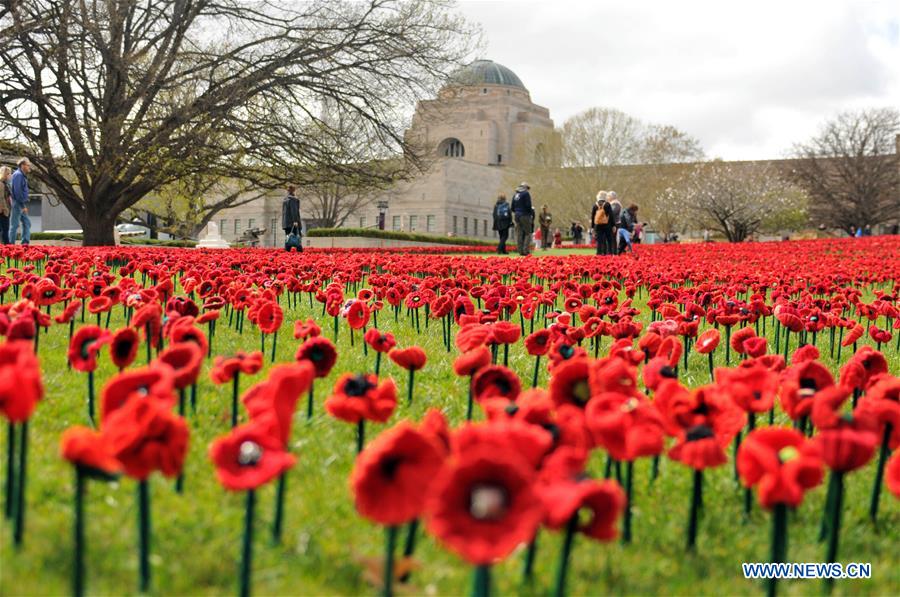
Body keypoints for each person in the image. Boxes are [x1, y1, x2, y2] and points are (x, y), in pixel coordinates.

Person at [9, 158, 32, 245]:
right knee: (14, 225)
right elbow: (17, 192)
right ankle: (10, 245)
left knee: (27, 223)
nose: (29, 166)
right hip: (17, 203)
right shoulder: (18, 175)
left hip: (20, 203)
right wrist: (23, 206)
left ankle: (25, 244)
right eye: (28, 165)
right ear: (22, 165)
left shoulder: (21, 175)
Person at [510, 182, 534, 256]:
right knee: (528, 233)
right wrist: (530, 213)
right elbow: (528, 205)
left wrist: (517, 211)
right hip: (525, 215)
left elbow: (512, 207)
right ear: (525, 187)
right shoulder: (526, 194)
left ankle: (520, 250)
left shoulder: (515, 195)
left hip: (517, 215)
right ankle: (526, 250)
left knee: (519, 233)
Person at [591, 191, 614, 255]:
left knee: (599, 240)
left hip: (598, 225)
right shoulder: (607, 204)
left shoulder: (595, 205)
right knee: (609, 239)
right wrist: (613, 225)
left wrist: (592, 227)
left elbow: (593, 217)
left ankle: (599, 253)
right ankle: (609, 253)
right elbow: (611, 216)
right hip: (607, 225)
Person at [0, 166, 11, 244]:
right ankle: (6, 248)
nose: (10, 175)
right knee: (5, 230)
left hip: (5, 209)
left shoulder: (5, 183)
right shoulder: (1, 184)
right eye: (8, 174)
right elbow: (1, 198)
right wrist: (5, 209)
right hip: (3, 211)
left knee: (4, 230)